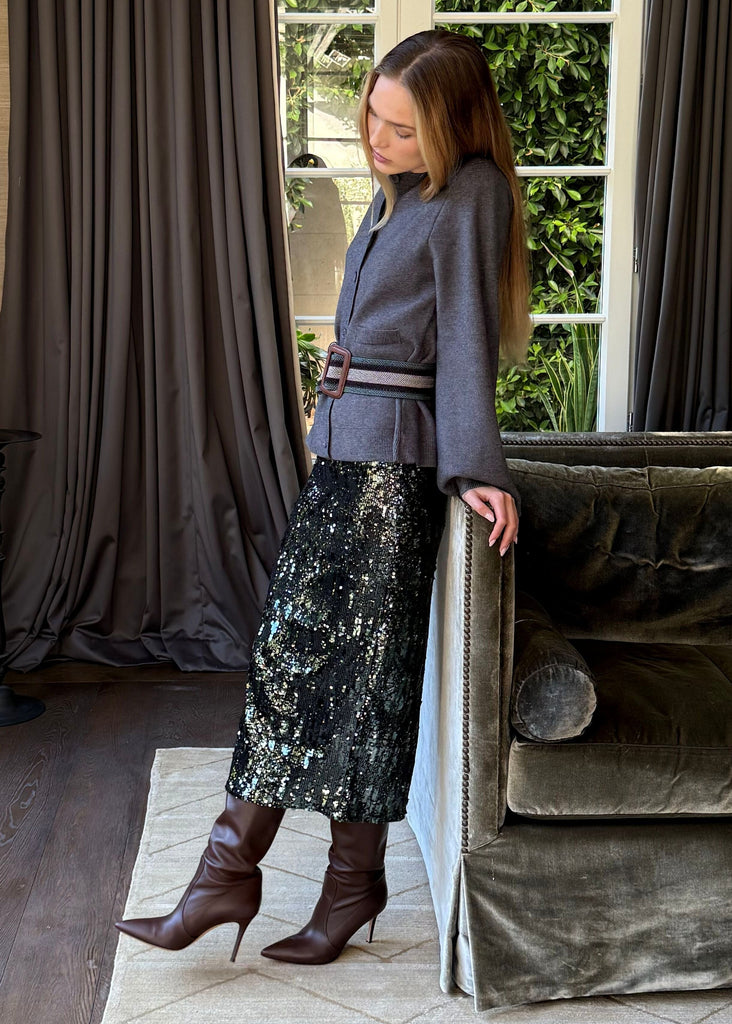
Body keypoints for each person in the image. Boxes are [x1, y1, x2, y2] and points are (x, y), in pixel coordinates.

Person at [116, 28, 531, 967]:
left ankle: (245, 876)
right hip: (348, 462)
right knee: (310, 672)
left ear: (455, 130)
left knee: (341, 680)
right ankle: (337, 882)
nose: (376, 140)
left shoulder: (473, 195)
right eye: (373, 119)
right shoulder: (401, 196)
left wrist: (477, 470)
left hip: (391, 480)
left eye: (401, 129)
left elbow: (463, 341)